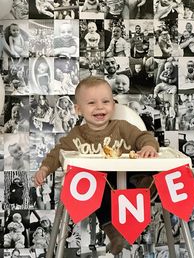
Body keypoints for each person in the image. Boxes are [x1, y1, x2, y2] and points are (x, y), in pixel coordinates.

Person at [34, 76, 159, 255]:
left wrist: (147, 146)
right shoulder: (77, 135)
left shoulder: (122, 127)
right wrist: (45, 168)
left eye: (105, 101)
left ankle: (146, 186)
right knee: (94, 185)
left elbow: (143, 137)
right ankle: (114, 234)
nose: (100, 107)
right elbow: (59, 152)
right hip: (102, 184)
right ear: (78, 110)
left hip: (128, 177)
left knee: (145, 165)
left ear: (113, 106)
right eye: (91, 103)